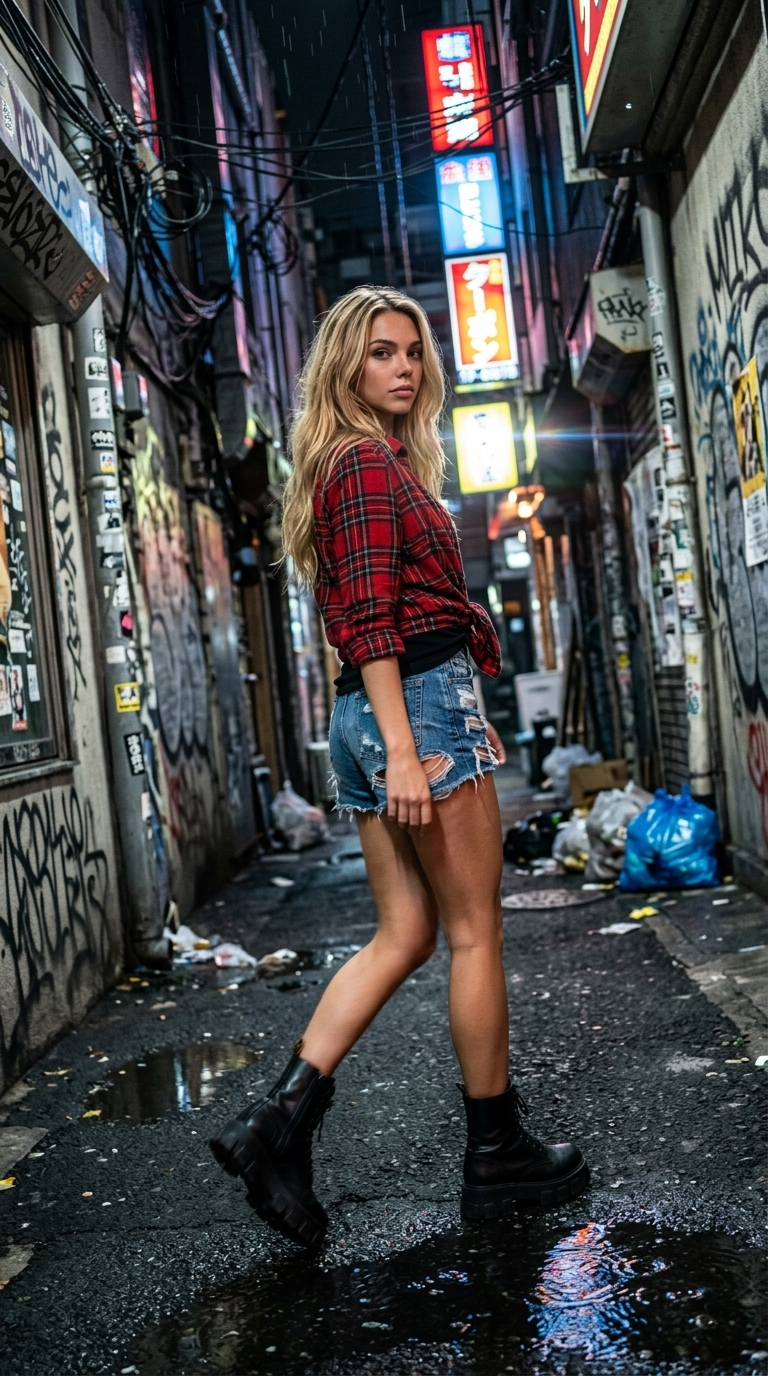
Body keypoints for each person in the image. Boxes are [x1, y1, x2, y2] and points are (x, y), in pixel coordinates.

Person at [210, 286, 587, 1248]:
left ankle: (277, 1125)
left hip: (375, 709)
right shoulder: (367, 467)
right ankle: (495, 1152)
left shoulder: (354, 463)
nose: (404, 368)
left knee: (406, 931)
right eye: (382, 352)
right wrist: (411, 752)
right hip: (409, 704)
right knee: (473, 932)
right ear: (345, 364)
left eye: (413, 352)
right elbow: (370, 620)